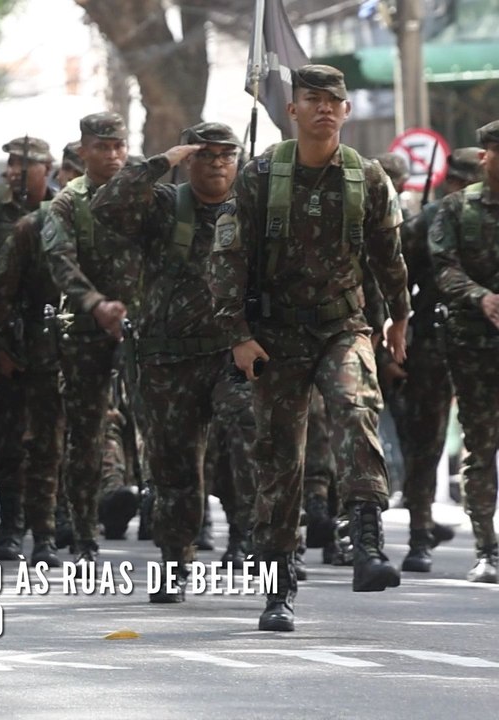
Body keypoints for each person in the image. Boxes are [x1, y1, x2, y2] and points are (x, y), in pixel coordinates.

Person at [208, 65, 410, 632]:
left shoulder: (366, 178)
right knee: (279, 460)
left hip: (343, 325)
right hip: (275, 336)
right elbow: (225, 262)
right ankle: (278, 586)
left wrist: (399, 318)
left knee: (356, 409)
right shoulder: (259, 176)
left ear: (346, 112)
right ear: (291, 111)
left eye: (334, 101)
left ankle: (367, 540)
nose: (325, 108)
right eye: (312, 99)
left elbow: (388, 259)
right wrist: (238, 336)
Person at [88, 122, 250, 601]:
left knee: (250, 438)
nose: (218, 162)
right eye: (206, 154)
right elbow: (105, 206)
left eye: (227, 154)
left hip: (230, 356)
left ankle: (262, 544)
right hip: (169, 362)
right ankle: (176, 560)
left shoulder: (252, 209)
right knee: (174, 469)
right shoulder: (163, 205)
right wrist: (162, 162)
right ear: (190, 160)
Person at [45, 112, 138, 563]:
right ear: (84, 151)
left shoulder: (146, 196)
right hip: (86, 331)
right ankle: (83, 531)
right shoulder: (68, 202)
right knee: (86, 435)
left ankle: (173, 525)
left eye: (119, 145)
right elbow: (60, 261)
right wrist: (96, 304)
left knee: (164, 428)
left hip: (143, 327)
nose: (113, 154)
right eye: (103, 147)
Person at [385, 147, 481, 572]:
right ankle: (421, 534)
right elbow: (392, 275)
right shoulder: (428, 221)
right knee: (427, 440)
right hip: (434, 337)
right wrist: (393, 333)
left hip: (480, 338)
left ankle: (471, 541)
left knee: (469, 442)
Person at [0, 135, 55, 562]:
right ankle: (11, 525)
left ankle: (48, 531)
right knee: (3, 441)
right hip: (1, 345)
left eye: (26, 163)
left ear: (48, 167)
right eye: (12, 163)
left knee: (49, 442)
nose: (16, 170)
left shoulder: (63, 213)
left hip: (52, 346)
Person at [428, 120, 499, 584]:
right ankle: (487, 549)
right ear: (485, 157)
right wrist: (481, 297)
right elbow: (442, 267)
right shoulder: (457, 209)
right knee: (482, 446)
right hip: (474, 345)